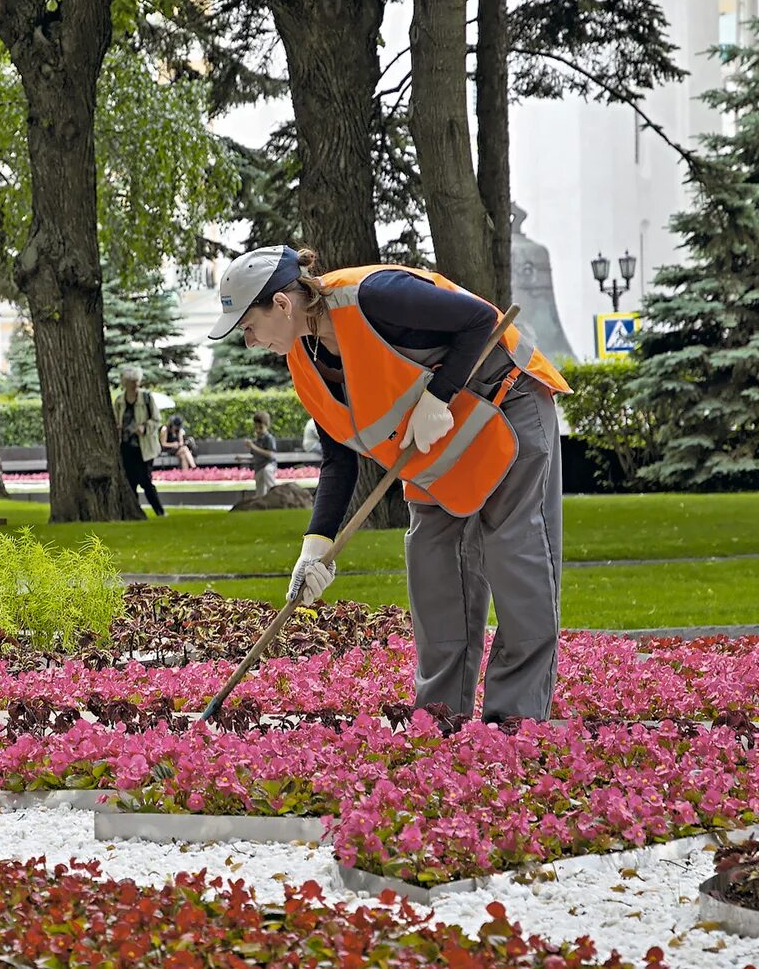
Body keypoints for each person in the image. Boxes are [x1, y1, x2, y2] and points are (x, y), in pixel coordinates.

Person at [209, 245, 569, 723]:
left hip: (508, 410)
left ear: (281, 305)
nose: (250, 342)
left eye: (249, 327)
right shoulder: (303, 360)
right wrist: (314, 548)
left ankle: (513, 725)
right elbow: (339, 460)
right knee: (434, 575)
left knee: (514, 562)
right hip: (434, 452)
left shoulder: (375, 295)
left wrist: (438, 397)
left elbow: (480, 319)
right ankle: (441, 721)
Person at [112, 365, 164, 516]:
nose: (133, 385)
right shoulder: (120, 401)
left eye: (135, 381)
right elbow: (116, 419)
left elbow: (156, 420)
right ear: (124, 383)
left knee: (145, 480)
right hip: (127, 446)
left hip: (144, 446)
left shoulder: (146, 398)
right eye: (130, 382)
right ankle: (134, 512)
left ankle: (159, 511)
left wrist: (144, 427)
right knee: (130, 482)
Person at [246, 410, 278, 497]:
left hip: (268, 465)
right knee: (260, 492)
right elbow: (255, 456)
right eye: (256, 428)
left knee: (268, 475)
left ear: (266, 426)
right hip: (258, 467)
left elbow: (270, 454)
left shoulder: (269, 438)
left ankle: (275, 496)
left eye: (260, 428)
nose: (258, 430)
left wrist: (253, 446)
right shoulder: (256, 440)